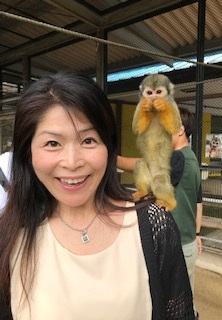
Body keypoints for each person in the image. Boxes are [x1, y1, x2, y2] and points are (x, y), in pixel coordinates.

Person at [0, 71, 195, 320]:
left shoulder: (154, 225)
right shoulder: (9, 236)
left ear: (108, 148)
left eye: (89, 140)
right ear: (27, 152)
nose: (72, 163)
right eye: (52, 143)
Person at [117, 107, 202, 320]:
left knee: (175, 303)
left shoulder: (177, 158)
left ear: (180, 130)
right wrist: (197, 234)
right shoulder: (192, 159)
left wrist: (112, 159)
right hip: (188, 241)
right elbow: (198, 201)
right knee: (183, 297)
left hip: (178, 244)